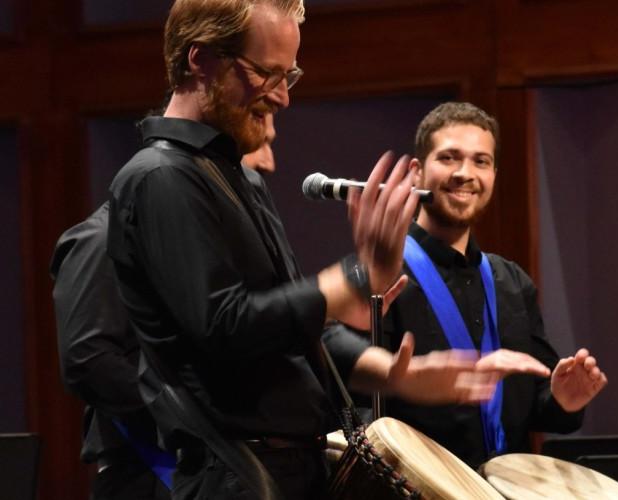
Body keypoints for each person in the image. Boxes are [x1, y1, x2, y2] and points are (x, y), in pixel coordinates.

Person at [104, 2, 497, 499]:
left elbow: (289, 328)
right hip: (236, 473)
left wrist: (399, 375)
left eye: (289, 74)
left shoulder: (239, 178)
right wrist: (354, 278)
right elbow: (226, 326)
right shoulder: (159, 178)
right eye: (266, 73)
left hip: (287, 468)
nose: (283, 97)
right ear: (199, 60)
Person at [330, 101, 608, 468]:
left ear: (493, 173)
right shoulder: (380, 276)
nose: (465, 173)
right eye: (449, 158)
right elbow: (347, 405)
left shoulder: (511, 282)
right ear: (416, 172)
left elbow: (536, 407)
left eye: (481, 161)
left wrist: (563, 400)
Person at [51, 116, 284, 500]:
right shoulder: (101, 236)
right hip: (147, 475)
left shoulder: (201, 246)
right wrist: (193, 410)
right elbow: (87, 359)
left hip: (214, 469)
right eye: (257, 144)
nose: (269, 162)